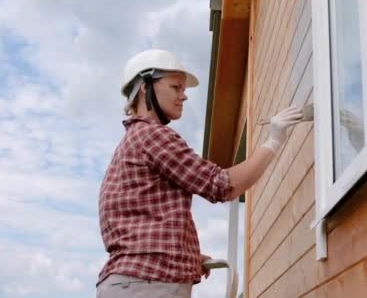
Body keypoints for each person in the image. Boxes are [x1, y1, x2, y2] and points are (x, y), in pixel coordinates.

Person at [96, 49, 303, 298]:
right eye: (176, 87)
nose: (183, 97)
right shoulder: (152, 136)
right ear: (144, 87)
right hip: (146, 285)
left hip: (134, 283)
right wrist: (274, 141)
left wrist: (189, 256)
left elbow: (141, 223)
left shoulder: (134, 140)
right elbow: (222, 185)